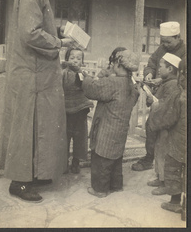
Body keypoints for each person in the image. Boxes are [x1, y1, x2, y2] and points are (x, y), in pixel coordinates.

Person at [0, 0, 75, 202]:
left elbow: (37, 27)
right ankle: (19, 183)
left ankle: (34, 174)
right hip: (29, 74)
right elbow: (30, 33)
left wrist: (57, 29)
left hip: (38, 74)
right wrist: (60, 41)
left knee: (38, 126)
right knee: (26, 127)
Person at [82, 49, 139, 198]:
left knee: (102, 158)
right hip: (120, 129)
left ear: (118, 64)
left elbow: (92, 90)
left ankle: (99, 189)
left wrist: (86, 78)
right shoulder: (130, 84)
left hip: (107, 129)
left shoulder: (113, 82)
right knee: (115, 158)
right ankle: (115, 185)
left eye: (113, 62)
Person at [132, 21, 185, 171]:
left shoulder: (186, 52)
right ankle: (150, 157)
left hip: (175, 98)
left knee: (168, 134)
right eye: (163, 41)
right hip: (159, 96)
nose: (165, 44)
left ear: (177, 37)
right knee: (151, 125)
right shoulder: (162, 48)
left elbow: (183, 75)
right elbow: (152, 62)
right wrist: (149, 73)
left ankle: (166, 166)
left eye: (168, 41)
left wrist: (162, 79)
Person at [145, 53, 181, 195]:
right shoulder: (167, 83)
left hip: (166, 125)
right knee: (159, 150)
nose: (158, 69)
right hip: (161, 123)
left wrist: (153, 100)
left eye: (161, 66)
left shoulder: (172, 85)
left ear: (170, 69)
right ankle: (160, 178)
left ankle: (166, 182)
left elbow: (167, 106)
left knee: (164, 152)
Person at [160, 58, 187, 218]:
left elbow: (168, 118)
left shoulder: (180, 96)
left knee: (173, 168)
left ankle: (175, 201)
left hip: (178, 141)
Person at [62, 47, 93, 174]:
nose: (75, 61)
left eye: (78, 58)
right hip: (65, 109)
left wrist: (85, 78)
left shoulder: (83, 74)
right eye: (72, 58)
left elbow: (89, 86)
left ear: (82, 61)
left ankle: (76, 161)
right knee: (64, 137)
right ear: (67, 59)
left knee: (79, 137)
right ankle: (63, 162)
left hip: (80, 109)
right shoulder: (63, 73)